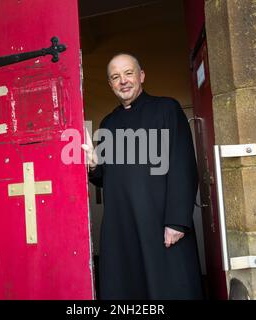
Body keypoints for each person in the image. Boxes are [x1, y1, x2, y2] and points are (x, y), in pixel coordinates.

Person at [82, 53, 203, 300]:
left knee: (169, 288)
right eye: (115, 77)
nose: (123, 81)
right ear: (110, 84)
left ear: (141, 76)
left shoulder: (167, 109)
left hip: (160, 223)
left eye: (128, 73)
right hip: (122, 225)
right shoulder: (108, 123)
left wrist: (177, 221)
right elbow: (106, 178)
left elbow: (183, 166)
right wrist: (94, 165)